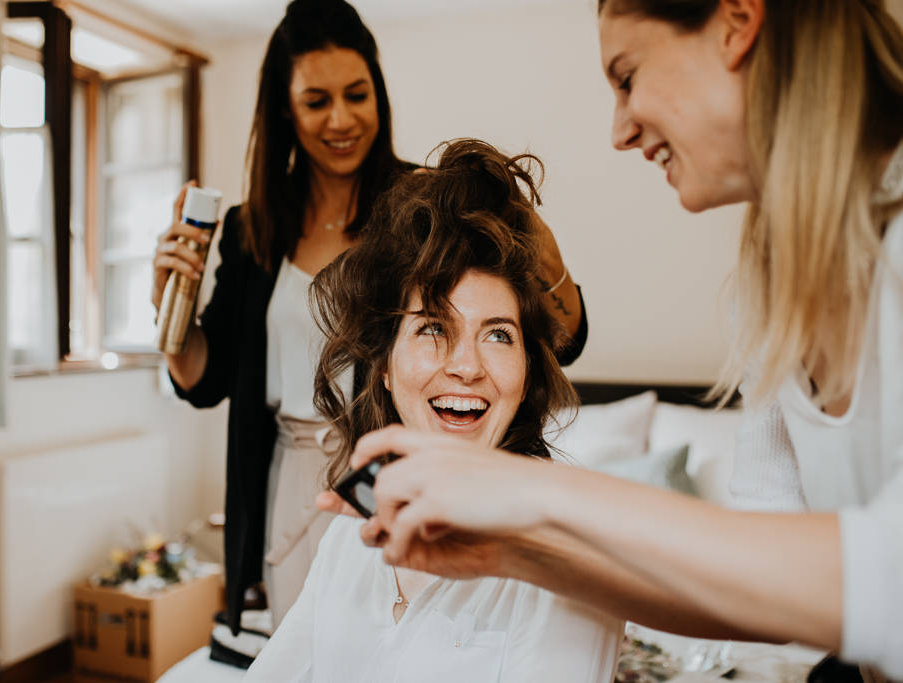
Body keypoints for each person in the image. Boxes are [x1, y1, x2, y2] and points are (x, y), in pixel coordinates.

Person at [320, 0, 903, 678]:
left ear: (738, 23)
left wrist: (531, 493)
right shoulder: (765, 291)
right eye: (432, 330)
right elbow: (761, 582)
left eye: (626, 77)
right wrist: (512, 552)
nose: (620, 131)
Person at [152, 0, 587, 631]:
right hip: (286, 476)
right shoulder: (252, 228)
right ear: (284, 109)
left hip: (391, 462)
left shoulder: (415, 205)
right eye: (316, 101)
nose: (341, 119)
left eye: (357, 95)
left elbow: (561, 338)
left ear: (378, 94)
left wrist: (547, 255)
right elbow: (205, 379)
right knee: (306, 643)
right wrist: (170, 305)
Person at [243, 139, 622, 682]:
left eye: (498, 334)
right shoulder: (351, 530)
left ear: (526, 375)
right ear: (384, 366)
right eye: (432, 328)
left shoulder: (568, 563)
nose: (466, 366)